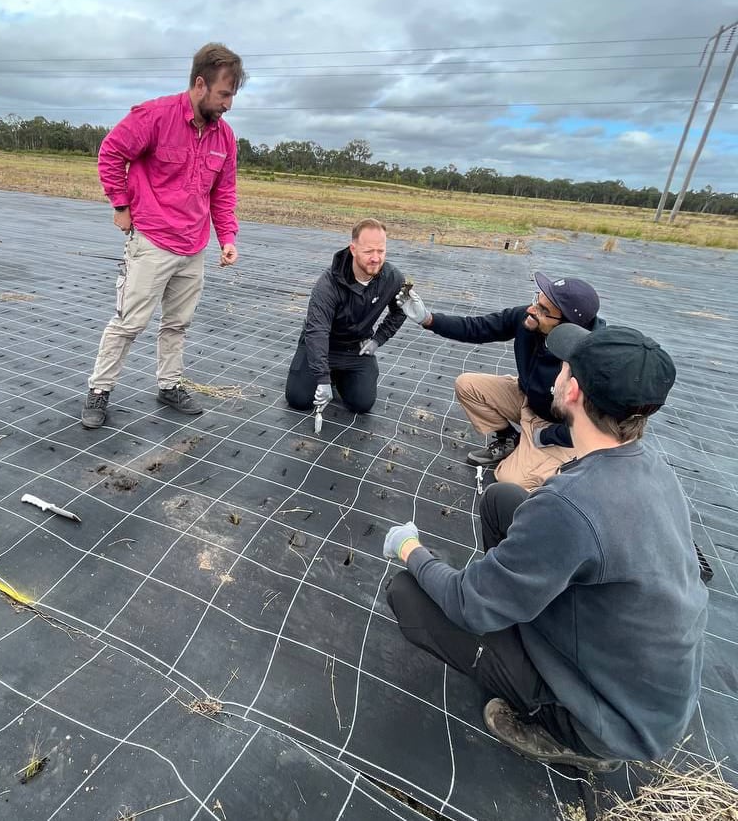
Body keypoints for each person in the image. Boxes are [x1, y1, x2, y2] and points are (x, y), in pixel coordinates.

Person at [383, 324, 707, 771]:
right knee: (503, 500)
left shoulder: (572, 504)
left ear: (572, 390)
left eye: (564, 366)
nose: (555, 371)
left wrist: (410, 549)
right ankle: (517, 621)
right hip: (647, 692)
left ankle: (568, 735)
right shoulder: (650, 466)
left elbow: (465, 603)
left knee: (410, 594)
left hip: (612, 719)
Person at [80, 43, 247, 429]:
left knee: (177, 324)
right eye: (224, 94)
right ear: (200, 84)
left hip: (193, 247)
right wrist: (120, 205)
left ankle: (169, 385)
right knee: (129, 323)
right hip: (152, 241)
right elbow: (110, 153)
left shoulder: (225, 138)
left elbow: (223, 192)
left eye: (233, 96)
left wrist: (227, 237)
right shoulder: (155, 116)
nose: (228, 104)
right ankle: (99, 390)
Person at [397, 272, 601, 489]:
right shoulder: (527, 319)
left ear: (566, 326)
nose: (532, 310)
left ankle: (560, 463)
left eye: (543, 310)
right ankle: (510, 439)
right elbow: (478, 327)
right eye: (536, 301)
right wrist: (428, 319)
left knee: (509, 481)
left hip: (557, 425)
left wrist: (544, 436)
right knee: (467, 385)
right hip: (528, 397)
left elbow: (594, 425)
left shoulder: (592, 358)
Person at [284, 218, 407, 415]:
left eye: (381, 251)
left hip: (355, 349)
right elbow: (317, 332)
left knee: (362, 404)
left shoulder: (393, 278)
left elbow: (402, 310)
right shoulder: (328, 285)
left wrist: (378, 340)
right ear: (353, 249)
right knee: (298, 399)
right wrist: (322, 379)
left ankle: (341, 376)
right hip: (322, 345)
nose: (375, 258)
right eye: (368, 251)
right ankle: (329, 375)